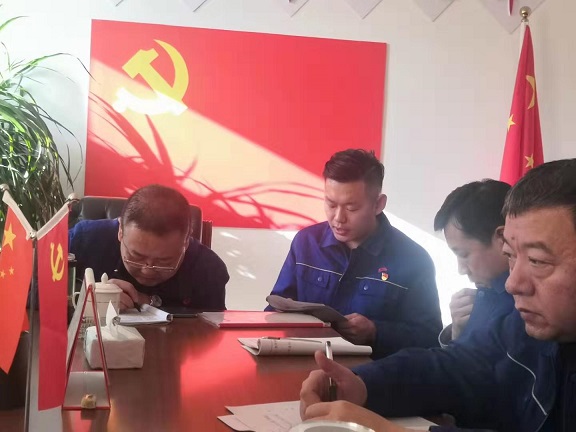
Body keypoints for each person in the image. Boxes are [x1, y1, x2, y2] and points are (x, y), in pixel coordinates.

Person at [299, 159, 576, 432]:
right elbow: (459, 366)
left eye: (537, 261)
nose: (513, 283)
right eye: (511, 256)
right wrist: (362, 384)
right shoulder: (520, 320)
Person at [267, 149, 442, 357]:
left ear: (378, 204)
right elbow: (276, 308)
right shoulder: (306, 243)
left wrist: (376, 332)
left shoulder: (414, 260)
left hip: (373, 372)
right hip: (303, 364)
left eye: (351, 208)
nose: (338, 218)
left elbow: (429, 338)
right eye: (331, 204)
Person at [69, 184, 228, 311]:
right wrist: (85, 299)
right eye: (136, 256)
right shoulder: (84, 240)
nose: (147, 271)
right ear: (120, 232)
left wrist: (148, 302)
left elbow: (213, 331)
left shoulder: (209, 269)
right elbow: (54, 294)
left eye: (164, 262)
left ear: (186, 243)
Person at [434, 180, 514, 346]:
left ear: (502, 237)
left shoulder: (528, 306)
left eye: (464, 254)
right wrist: (458, 332)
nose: (461, 269)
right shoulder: (486, 294)